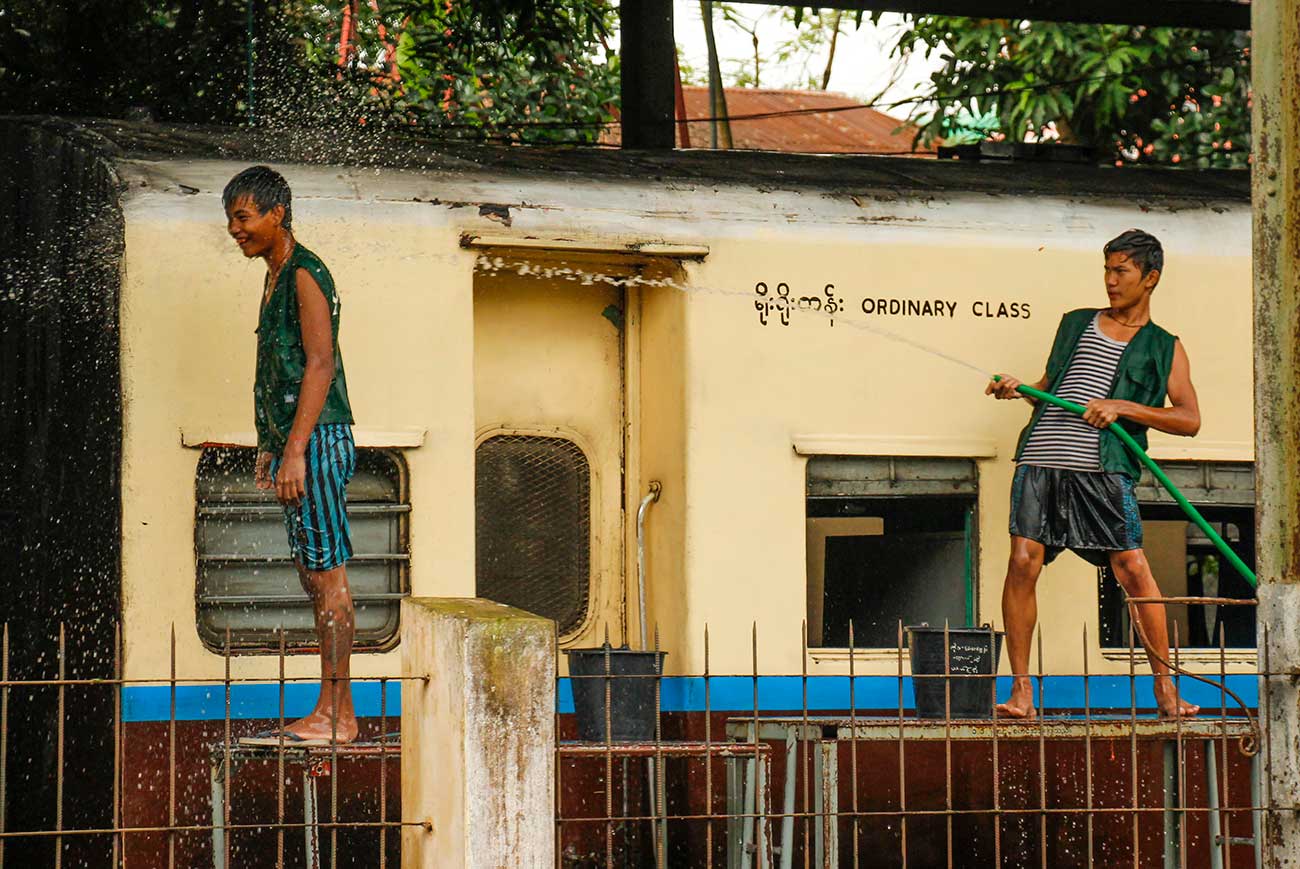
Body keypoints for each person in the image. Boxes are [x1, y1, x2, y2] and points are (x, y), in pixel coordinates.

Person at [986, 229, 1200, 720]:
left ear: (1150, 279)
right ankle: (1021, 692)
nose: (1110, 280)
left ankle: (1165, 689)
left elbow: (1189, 419)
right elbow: (1049, 387)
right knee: (1023, 561)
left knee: (1133, 569)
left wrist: (1124, 408)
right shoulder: (1075, 324)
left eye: (1121, 271)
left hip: (1102, 469)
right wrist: (1018, 389)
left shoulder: (1164, 347)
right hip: (1041, 458)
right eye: (1106, 269)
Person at [223, 166, 359, 744]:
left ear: (277, 213)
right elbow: (277, 371)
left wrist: (297, 450)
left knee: (328, 576)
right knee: (311, 573)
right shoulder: (274, 275)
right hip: (296, 445)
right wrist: (270, 447)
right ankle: (326, 706)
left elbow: (320, 365)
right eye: (231, 219)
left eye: (243, 217)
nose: (235, 230)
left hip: (319, 441)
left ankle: (340, 715)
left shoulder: (305, 273)